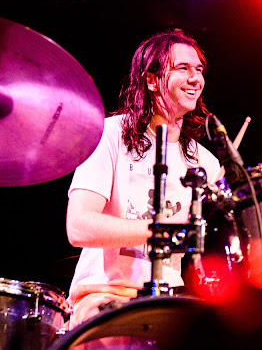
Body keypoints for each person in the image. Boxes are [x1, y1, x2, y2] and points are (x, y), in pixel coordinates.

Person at [65, 29, 222, 329]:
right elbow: (78, 226)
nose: (195, 79)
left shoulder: (207, 164)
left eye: (199, 70)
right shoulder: (109, 135)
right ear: (151, 80)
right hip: (106, 299)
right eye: (183, 69)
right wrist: (160, 230)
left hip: (171, 304)